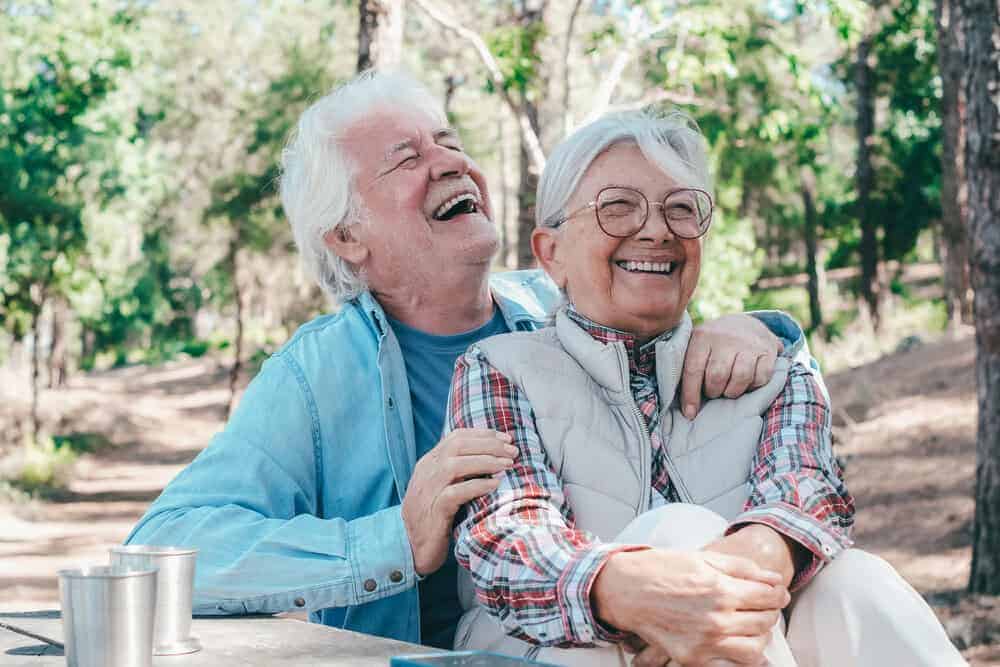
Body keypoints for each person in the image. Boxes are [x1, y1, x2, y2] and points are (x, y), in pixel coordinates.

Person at [125, 71, 812, 650]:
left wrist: (756, 328)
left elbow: (737, 385)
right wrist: (390, 540)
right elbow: (159, 556)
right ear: (346, 236)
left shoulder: (566, 300)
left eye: (450, 143)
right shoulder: (315, 379)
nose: (451, 163)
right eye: (407, 158)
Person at [448, 110, 966, 666]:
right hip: (561, 649)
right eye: (618, 207)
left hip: (753, 633)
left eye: (681, 208)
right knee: (682, 529)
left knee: (858, 584)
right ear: (551, 252)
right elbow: (508, 542)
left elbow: (806, 489)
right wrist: (626, 592)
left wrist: (734, 574)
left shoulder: (770, 367)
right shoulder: (498, 369)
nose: (656, 230)